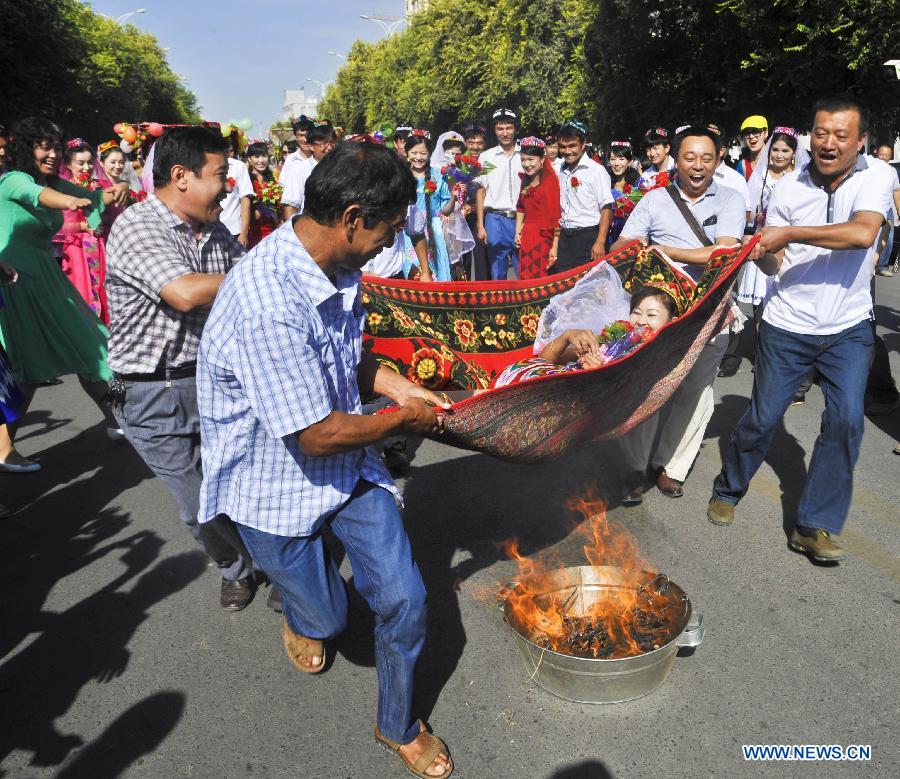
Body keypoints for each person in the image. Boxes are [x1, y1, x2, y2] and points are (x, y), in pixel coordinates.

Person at [197, 138, 454, 779]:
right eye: (390, 231)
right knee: (330, 617)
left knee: (406, 600)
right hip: (272, 486)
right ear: (351, 219)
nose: (393, 245)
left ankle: (396, 723)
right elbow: (313, 435)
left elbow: (347, 358)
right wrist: (404, 420)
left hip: (346, 467)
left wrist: (394, 386)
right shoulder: (267, 302)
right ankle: (306, 615)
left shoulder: (340, 265)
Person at [708, 96, 894, 563]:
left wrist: (790, 234)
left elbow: (861, 234)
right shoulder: (787, 189)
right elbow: (775, 265)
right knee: (763, 418)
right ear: (810, 136)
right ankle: (729, 487)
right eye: (821, 133)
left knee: (847, 420)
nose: (828, 144)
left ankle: (815, 524)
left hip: (849, 326)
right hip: (787, 324)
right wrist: (762, 252)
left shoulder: (878, 176)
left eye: (841, 136)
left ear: (861, 141)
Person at [105, 126, 255, 609]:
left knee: (243, 482)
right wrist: (262, 269)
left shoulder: (217, 233)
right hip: (151, 395)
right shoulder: (136, 226)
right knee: (197, 505)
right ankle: (236, 567)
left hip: (213, 382)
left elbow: (249, 295)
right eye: (219, 176)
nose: (228, 187)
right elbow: (184, 292)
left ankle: (280, 567)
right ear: (180, 177)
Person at [611, 126, 745, 500]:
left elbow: (723, 254)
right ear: (676, 160)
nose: (698, 166)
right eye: (690, 158)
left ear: (718, 160)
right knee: (648, 387)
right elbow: (627, 243)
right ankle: (634, 469)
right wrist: (624, 248)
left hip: (709, 314)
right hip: (657, 318)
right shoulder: (654, 200)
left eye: (706, 158)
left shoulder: (731, 199)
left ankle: (671, 467)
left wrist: (664, 250)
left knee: (695, 391)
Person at [0, 117, 129, 473]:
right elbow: (41, 196)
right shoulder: (14, 180)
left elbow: (95, 196)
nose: (54, 154)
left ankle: (120, 420)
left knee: (92, 344)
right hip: (13, 280)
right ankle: (4, 448)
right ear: (26, 149)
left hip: (47, 280)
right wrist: (71, 200)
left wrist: (112, 192)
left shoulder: (53, 181)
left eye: (56, 147)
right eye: (45, 146)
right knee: (27, 368)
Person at [718, 127, 806, 378]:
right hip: (764, 240)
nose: (779, 155)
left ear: (793, 154)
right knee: (761, 304)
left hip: (793, 242)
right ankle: (764, 353)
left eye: (785, 151)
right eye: (775, 150)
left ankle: (793, 357)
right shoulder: (761, 176)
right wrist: (758, 217)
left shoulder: (802, 178)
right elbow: (748, 209)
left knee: (790, 299)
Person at [494, 284, 676, 387]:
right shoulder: (615, 336)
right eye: (636, 312)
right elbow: (545, 360)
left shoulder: (661, 359)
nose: (641, 321)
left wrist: (598, 374)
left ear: (672, 322)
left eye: (652, 315)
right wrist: (566, 337)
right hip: (542, 385)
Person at [53, 138, 110, 324]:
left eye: (89, 162)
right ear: (68, 164)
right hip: (75, 252)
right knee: (81, 296)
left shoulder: (99, 187)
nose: (87, 167)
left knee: (104, 292)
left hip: (101, 249)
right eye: (80, 163)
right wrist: (82, 227)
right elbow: (55, 227)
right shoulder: (61, 191)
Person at [556, 119, 613, 273]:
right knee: (564, 287)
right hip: (565, 237)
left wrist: (600, 241)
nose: (567, 151)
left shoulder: (596, 171)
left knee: (588, 288)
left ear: (583, 144)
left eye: (572, 146)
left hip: (588, 237)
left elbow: (606, 208)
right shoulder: (560, 169)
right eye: (563, 147)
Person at [401, 130, 455, 282]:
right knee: (411, 273)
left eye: (423, 153)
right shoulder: (402, 175)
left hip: (434, 229)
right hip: (407, 229)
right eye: (414, 152)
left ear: (430, 153)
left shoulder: (439, 176)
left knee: (436, 274)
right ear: (407, 153)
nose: (418, 157)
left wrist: (453, 194)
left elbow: (446, 210)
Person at [476, 108, 522, 279]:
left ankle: (524, 306)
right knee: (497, 273)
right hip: (495, 220)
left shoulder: (525, 155)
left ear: (515, 128)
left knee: (523, 270)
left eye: (508, 128)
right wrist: (481, 225)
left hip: (521, 219)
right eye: (500, 129)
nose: (505, 133)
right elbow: (481, 190)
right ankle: (500, 307)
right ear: (494, 130)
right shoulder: (488, 158)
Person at [514, 136, 560, 279]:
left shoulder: (550, 183)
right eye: (523, 159)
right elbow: (521, 207)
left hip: (544, 238)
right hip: (527, 236)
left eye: (531, 159)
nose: (526, 164)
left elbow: (556, 217)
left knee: (541, 280)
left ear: (541, 160)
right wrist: (518, 230)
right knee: (525, 277)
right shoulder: (525, 181)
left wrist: (554, 246)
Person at [281, 122, 336, 219]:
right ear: (311, 146)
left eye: (332, 142)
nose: (329, 147)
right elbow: (290, 207)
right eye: (323, 143)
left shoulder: (342, 167)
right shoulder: (299, 170)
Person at [461, 122, 490, 280]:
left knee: (482, 258)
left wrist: (476, 207)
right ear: (466, 143)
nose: (475, 147)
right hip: (462, 219)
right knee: (463, 260)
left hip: (483, 217)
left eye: (479, 143)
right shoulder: (459, 163)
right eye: (471, 143)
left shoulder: (489, 162)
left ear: (485, 144)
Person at [605, 140, 641, 249]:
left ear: (629, 162)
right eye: (613, 159)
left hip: (631, 236)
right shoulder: (604, 182)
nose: (616, 163)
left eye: (621, 159)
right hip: (608, 236)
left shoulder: (638, 184)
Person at [219, 138, 254, 247]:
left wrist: (244, 233)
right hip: (209, 228)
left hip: (234, 230)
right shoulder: (202, 165)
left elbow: (245, 198)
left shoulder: (238, 166)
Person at [873, 143, 900, 277]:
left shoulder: (892, 171)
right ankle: (867, 263)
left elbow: (896, 192)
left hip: (887, 210)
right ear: (876, 154)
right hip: (871, 208)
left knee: (888, 240)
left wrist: (899, 210)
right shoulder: (869, 168)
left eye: (887, 155)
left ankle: (881, 266)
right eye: (881, 154)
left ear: (890, 157)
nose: (883, 157)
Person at [246, 141, 279, 246]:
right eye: (256, 156)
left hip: (272, 229)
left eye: (264, 156)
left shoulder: (272, 178)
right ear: (249, 159)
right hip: (253, 232)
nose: (261, 160)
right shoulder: (246, 179)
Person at [736, 115, 769, 181]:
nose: (751, 136)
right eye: (746, 133)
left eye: (756, 131)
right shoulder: (742, 165)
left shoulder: (778, 161)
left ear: (766, 133)